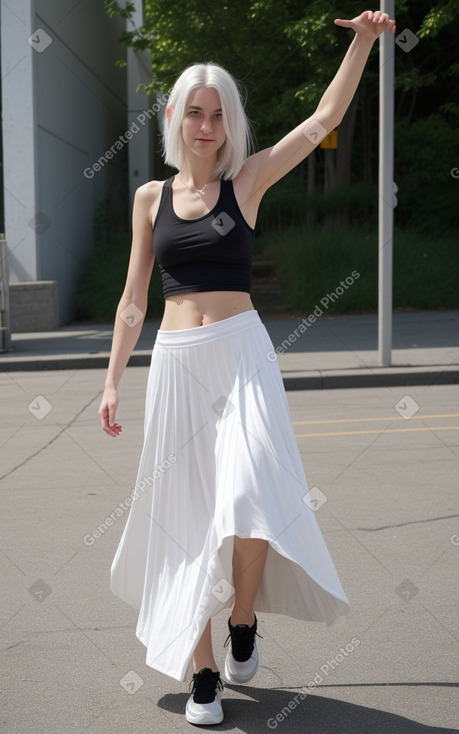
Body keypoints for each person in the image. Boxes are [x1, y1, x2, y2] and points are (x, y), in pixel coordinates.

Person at [98, 9, 395, 726]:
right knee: (184, 516)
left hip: (242, 359)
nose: (205, 125)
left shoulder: (249, 181)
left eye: (217, 114)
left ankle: (242, 620)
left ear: (230, 123)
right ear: (174, 118)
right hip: (176, 365)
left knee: (256, 488)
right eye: (193, 113)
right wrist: (111, 379)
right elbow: (133, 300)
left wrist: (360, 42)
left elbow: (322, 116)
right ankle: (203, 673)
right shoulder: (149, 199)